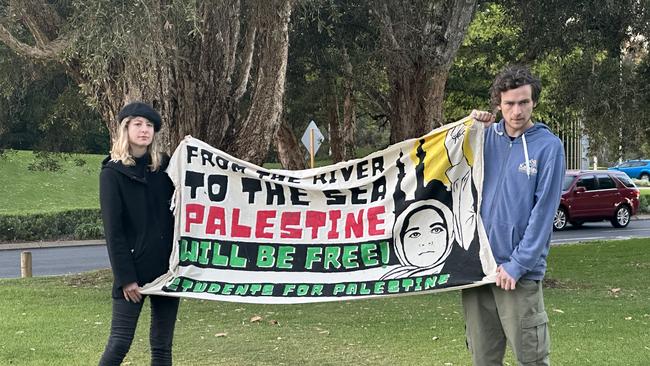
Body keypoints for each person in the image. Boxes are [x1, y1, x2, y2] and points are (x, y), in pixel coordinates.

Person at [464, 66, 565, 366]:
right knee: (483, 358)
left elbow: (544, 214)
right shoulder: (484, 139)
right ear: (498, 103)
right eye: (509, 104)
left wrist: (518, 265)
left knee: (532, 359)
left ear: (534, 102)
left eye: (524, 102)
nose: (516, 111)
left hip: (518, 276)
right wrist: (471, 127)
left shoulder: (549, 147)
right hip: (479, 271)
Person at [98, 102, 179, 365]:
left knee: (162, 346)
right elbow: (114, 230)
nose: (144, 130)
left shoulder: (165, 167)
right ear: (126, 128)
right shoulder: (112, 172)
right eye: (138, 124)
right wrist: (126, 278)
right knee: (119, 343)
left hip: (167, 270)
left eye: (149, 125)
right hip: (133, 271)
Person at [381, 199, 454, 279]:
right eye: (415, 234)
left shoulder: (461, 271)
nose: (426, 242)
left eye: (436, 230)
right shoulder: (390, 279)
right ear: (400, 243)